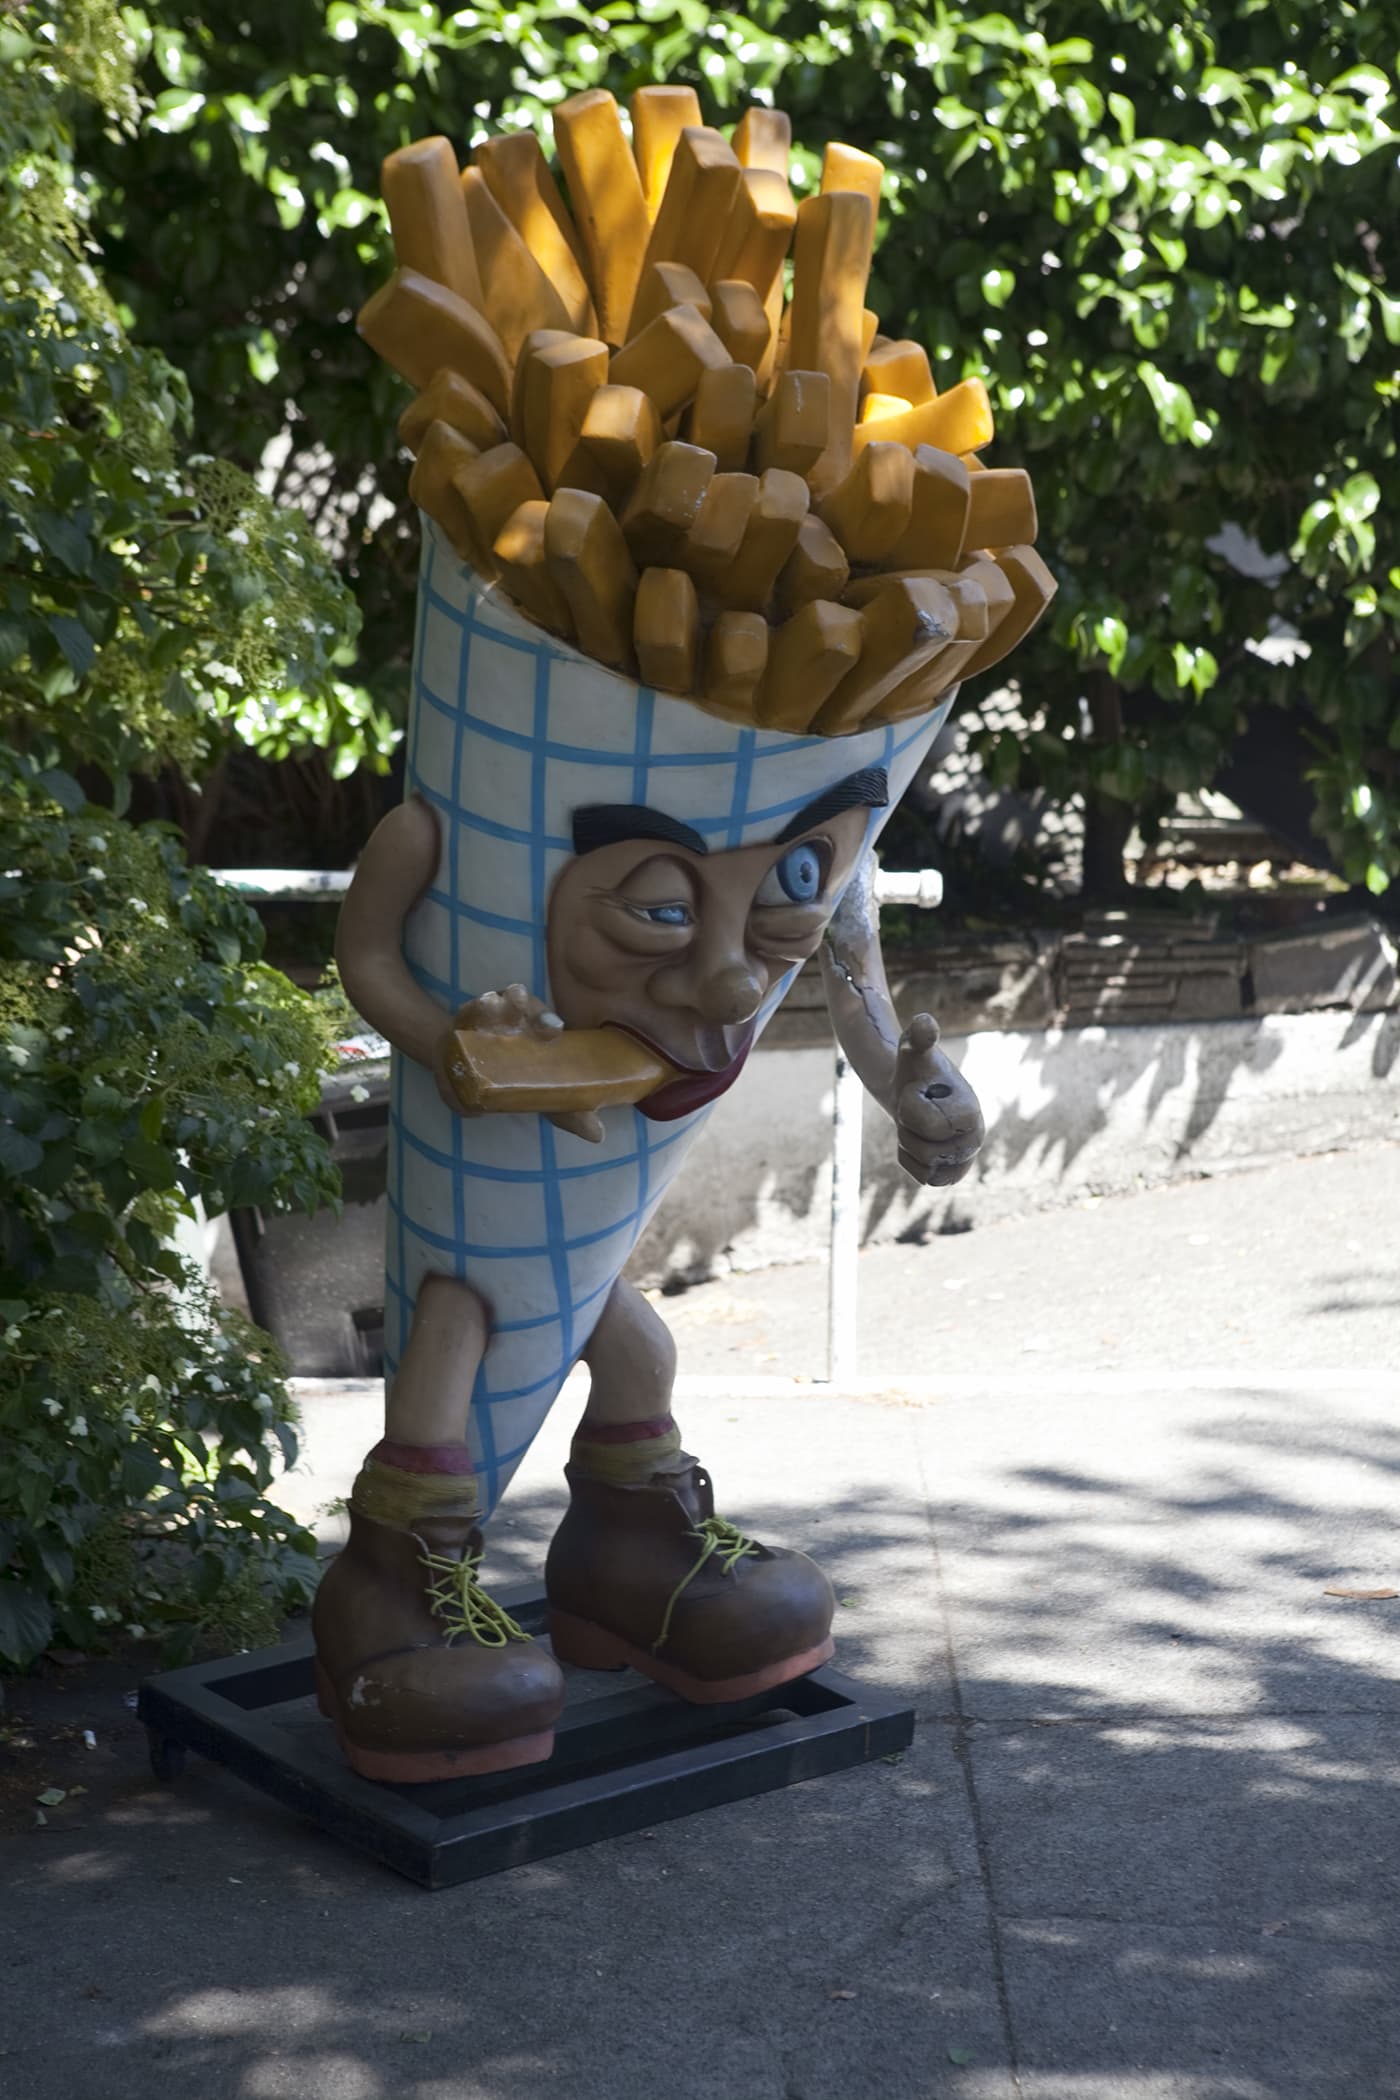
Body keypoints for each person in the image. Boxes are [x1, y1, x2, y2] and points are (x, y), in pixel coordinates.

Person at [311, 528, 984, 1783]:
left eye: (784, 880)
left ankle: (628, 1551)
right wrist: (458, 1044)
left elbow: (855, 990)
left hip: (592, 1193)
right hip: (474, 1159)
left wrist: (912, 1082)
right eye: (660, 908)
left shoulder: (843, 857)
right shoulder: (435, 829)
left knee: (634, 1337)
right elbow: (371, 964)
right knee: (457, 1332)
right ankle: (393, 1578)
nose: (730, 976)